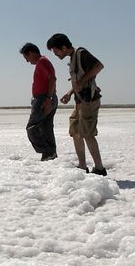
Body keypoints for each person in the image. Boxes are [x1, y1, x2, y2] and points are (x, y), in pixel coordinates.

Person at [46, 33, 107, 175]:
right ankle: (82, 166)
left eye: (56, 51)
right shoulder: (73, 58)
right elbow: (79, 79)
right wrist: (70, 92)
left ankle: (99, 168)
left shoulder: (81, 53)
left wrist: (81, 82)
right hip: (79, 101)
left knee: (87, 133)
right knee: (76, 131)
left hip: (89, 101)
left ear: (63, 47)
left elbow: (99, 66)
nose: (55, 55)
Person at [19, 43, 58, 160]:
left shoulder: (42, 61)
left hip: (43, 98)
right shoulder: (43, 62)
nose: (27, 61)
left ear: (31, 53)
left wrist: (47, 98)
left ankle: (47, 152)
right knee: (46, 127)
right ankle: (50, 154)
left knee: (32, 128)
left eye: (27, 58)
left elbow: (52, 78)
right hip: (47, 97)